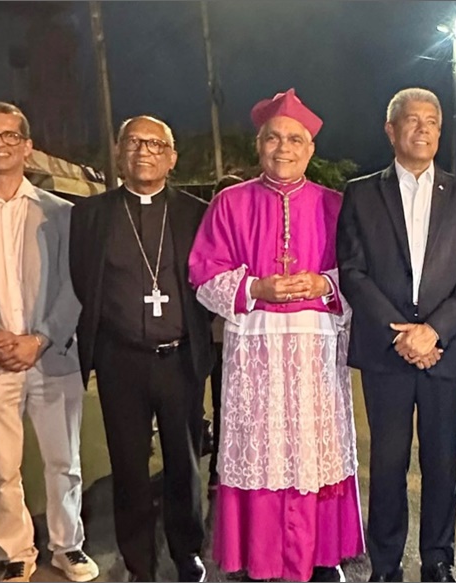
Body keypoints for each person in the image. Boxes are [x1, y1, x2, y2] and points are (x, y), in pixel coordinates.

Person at [189, 88, 364, 583]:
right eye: (273, 138)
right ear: (259, 145)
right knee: (260, 451)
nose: (283, 148)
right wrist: (255, 287)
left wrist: (325, 284)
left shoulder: (336, 205)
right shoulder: (229, 203)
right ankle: (260, 557)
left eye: (294, 139)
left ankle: (321, 556)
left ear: (311, 149)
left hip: (315, 352)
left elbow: (362, 273)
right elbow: (203, 273)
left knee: (314, 451)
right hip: (256, 350)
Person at [337, 87, 456, 583]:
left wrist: (434, 331)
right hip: (387, 353)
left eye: (432, 121)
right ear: (391, 130)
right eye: (412, 120)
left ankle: (437, 558)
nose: (422, 129)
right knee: (387, 462)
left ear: (440, 132)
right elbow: (353, 271)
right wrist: (401, 335)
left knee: (442, 461)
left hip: (446, 350)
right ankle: (385, 563)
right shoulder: (362, 193)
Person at [69, 115, 213, 582]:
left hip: (180, 358)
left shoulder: (196, 212)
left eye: (155, 144)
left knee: (184, 463)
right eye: (133, 142)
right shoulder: (91, 215)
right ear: (118, 152)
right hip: (121, 360)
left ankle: (187, 550)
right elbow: (83, 280)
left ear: (172, 158)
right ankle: (138, 561)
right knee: (128, 466)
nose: (143, 151)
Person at [0, 102, 98, 583]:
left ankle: (68, 546)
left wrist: (40, 339)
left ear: (27, 147)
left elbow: (74, 285)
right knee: (0, 467)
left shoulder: (60, 213)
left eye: (10, 135)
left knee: (64, 460)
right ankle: (16, 551)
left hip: (53, 355)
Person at [204, 173, 243, 496]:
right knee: (219, 403)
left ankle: (220, 467)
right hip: (212, 337)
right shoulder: (211, 232)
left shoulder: (242, 231)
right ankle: (217, 465)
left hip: (230, 336)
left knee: (225, 403)